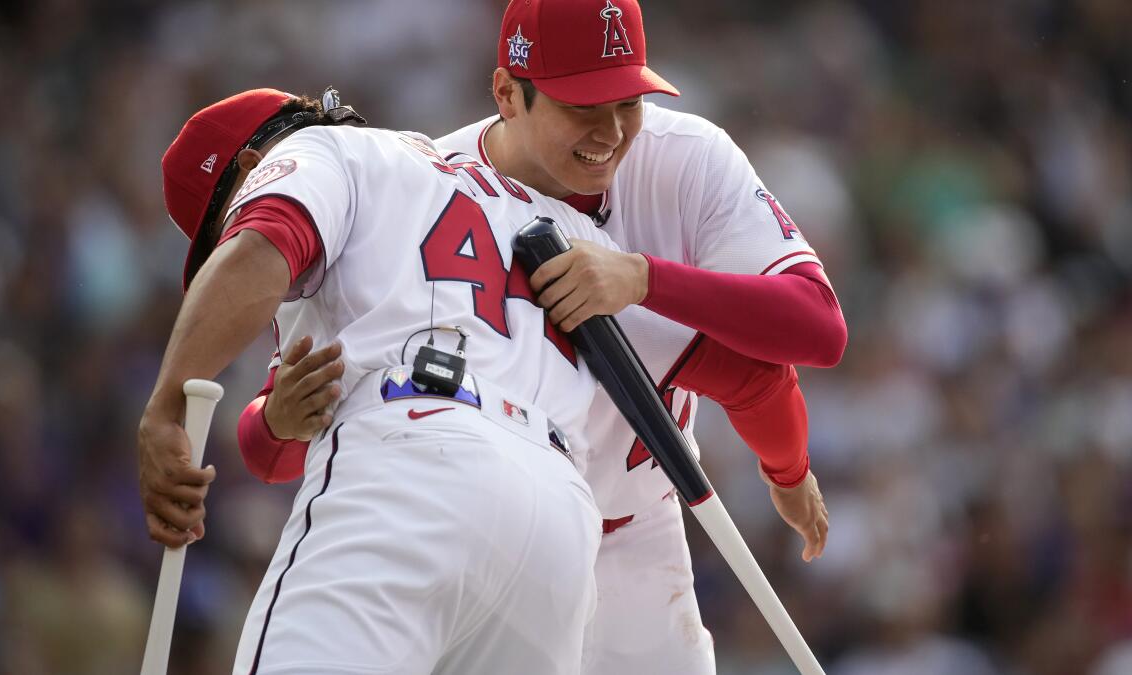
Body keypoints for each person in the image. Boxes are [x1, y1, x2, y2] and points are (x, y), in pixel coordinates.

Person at [240, 1, 846, 672]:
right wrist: (277, 420)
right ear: (507, 92)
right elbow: (276, 447)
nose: (612, 131)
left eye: (627, 101)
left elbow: (816, 328)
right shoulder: (428, 180)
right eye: (583, 105)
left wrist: (644, 279)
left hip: (638, 528)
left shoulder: (684, 156)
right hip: (496, 508)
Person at [137, 87, 642, 674]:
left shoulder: (324, 153)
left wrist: (165, 408)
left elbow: (262, 242)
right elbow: (268, 450)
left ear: (254, 168)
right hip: (558, 522)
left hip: (413, 465)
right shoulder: (563, 221)